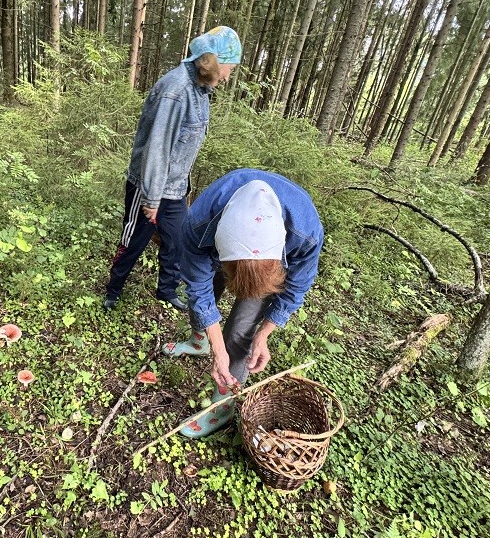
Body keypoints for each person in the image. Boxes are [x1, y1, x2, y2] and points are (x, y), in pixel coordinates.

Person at [163, 169, 324, 438]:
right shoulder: (200, 222)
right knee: (203, 295)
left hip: (277, 252)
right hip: (215, 243)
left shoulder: (304, 233)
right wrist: (216, 347)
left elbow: (297, 286)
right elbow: (198, 285)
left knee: (240, 330)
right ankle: (198, 341)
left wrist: (263, 334)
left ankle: (223, 406)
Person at [103, 26, 242, 312]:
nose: (228, 76)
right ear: (214, 61)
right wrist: (152, 199)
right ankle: (112, 292)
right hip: (149, 186)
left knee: (178, 241)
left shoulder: (200, 90)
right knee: (134, 242)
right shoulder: (176, 91)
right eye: (229, 68)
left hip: (175, 188)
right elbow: (158, 148)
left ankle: (166, 290)